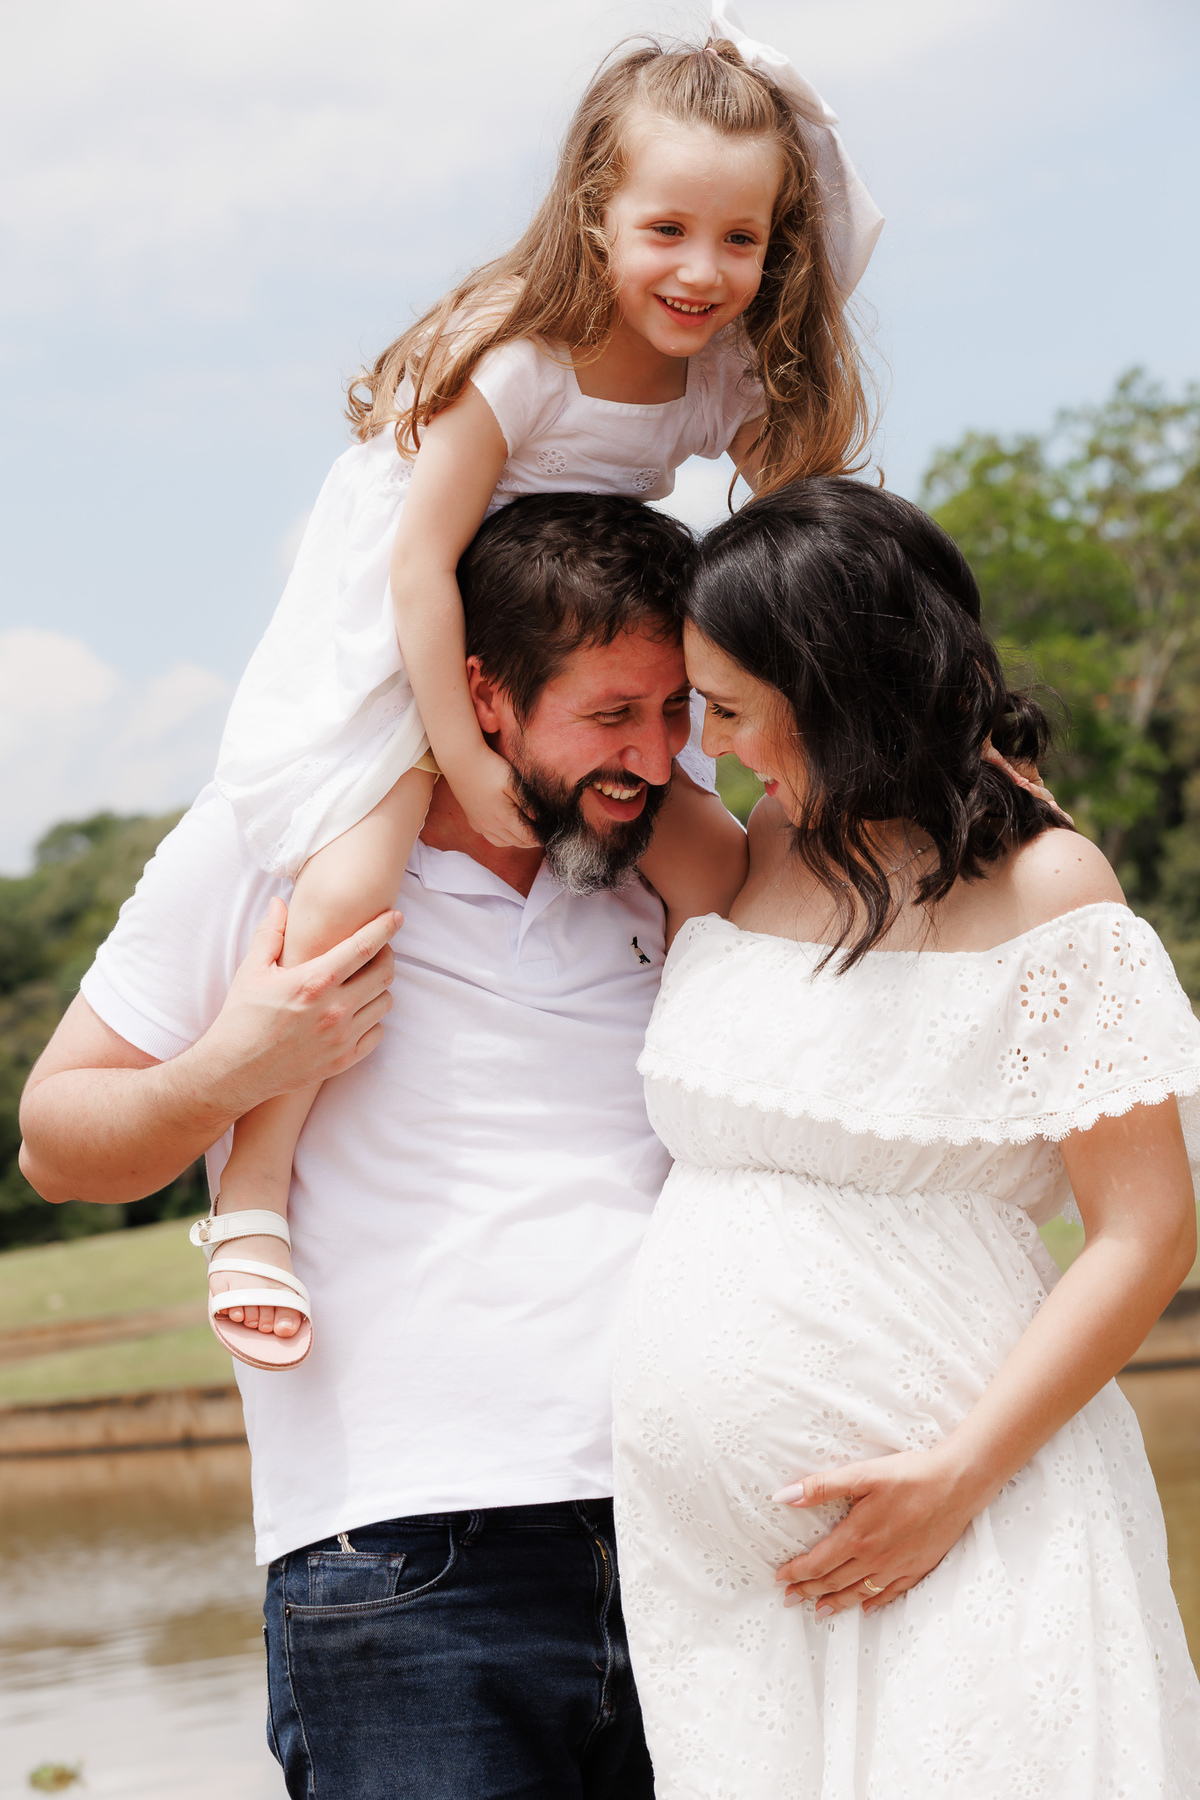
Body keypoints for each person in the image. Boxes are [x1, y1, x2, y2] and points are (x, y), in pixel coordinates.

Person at [197, 5, 884, 1366]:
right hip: (418, 628)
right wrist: (455, 762)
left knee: (713, 871)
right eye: (668, 230)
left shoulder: (712, 371)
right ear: (594, 215)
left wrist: (797, 129)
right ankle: (256, 1194)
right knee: (346, 885)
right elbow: (414, 569)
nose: (701, 270)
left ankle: (728, 1123)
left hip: (562, 625)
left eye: (741, 238)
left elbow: (831, 299)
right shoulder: (517, 353)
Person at [20, 492, 729, 1799]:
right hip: (408, 1568)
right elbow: (57, 1149)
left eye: (677, 711)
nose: (658, 754)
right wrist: (236, 1069)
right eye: (611, 716)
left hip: (700, 1538)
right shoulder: (269, 839)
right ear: (486, 696)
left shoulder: (671, 861)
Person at [611, 479, 1200, 1798]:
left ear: (836, 686)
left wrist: (954, 1476)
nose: (705, 746)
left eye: (731, 709)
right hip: (721, 1604)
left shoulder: (1050, 886)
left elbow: (1148, 1230)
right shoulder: (760, 843)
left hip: (976, 1525)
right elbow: (508, 728)